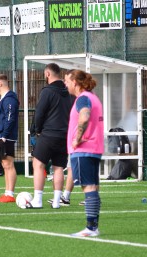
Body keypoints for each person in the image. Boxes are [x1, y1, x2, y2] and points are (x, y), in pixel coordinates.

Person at [27, 63, 73, 209]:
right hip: (64, 135)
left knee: (38, 164)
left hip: (48, 134)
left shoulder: (47, 91)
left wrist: (37, 129)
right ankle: (57, 201)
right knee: (58, 167)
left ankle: (38, 200)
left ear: (48, 74)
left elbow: (39, 113)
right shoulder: (69, 92)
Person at [64, 69, 104, 237]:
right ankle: (93, 226)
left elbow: (85, 116)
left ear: (75, 82)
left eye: (67, 80)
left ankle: (91, 228)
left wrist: (77, 138)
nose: (65, 84)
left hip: (84, 150)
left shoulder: (83, 98)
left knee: (88, 187)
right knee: (92, 186)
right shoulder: (93, 97)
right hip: (94, 148)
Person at [0, 74, 19, 203]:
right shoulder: (3, 98)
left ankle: (10, 194)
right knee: (5, 164)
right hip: (0, 135)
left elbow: (10, 117)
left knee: (8, 164)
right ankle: (7, 193)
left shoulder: (9, 98)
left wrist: (4, 135)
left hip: (4, 136)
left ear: (0, 84)